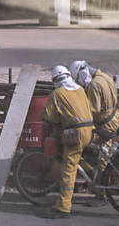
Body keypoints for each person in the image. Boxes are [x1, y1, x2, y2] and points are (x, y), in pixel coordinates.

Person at [40, 65, 94, 219]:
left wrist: (42, 115)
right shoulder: (80, 89)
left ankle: (63, 207)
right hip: (89, 130)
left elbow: (51, 117)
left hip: (75, 133)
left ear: (55, 80)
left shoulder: (57, 93)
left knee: (68, 169)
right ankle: (91, 172)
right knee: (75, 155)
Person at [70, 60, 119, 141]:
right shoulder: (105, 76)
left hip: (106, 127)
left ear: (83, 74)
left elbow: (92, 111)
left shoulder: (93, 85)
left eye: (77, 79)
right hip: (116, 120)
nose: (78, 83)